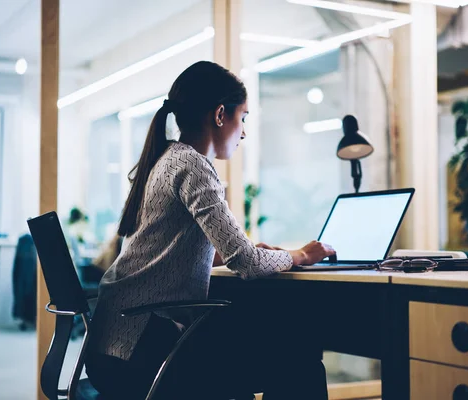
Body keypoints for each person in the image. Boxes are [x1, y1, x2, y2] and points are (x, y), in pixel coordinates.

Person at [85, 61, 336, 400]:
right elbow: (245, 262)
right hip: (142, 350)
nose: (244, 131)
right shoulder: (193, 165)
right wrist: (302, 255)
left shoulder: (167, 158)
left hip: (113, 349)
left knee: (273, 342)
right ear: (220, 115)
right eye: (243, 117)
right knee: (298, 357)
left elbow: (172, 251)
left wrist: (246, 255)